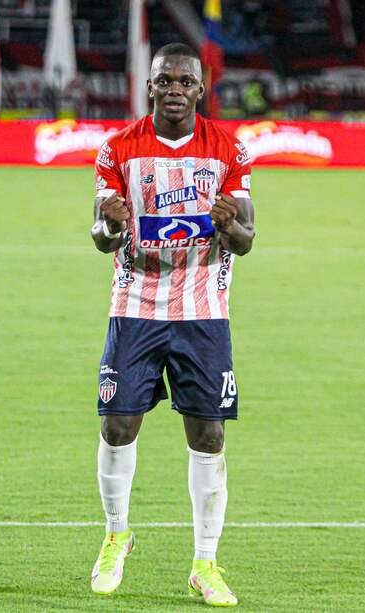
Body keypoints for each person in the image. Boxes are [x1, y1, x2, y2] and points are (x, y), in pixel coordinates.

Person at [88, 43, 255, 608]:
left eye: (186, 81)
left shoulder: (230, 150)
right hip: (135, 307)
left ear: (201, 89)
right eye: (167, 81)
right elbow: (100, 236)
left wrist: (230, 225)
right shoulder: (118, 150)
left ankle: (205, 563)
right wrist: (108, 227)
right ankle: (116, 535)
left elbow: (248, 240)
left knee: (208, 436)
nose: (176, 89)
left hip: (204, 311)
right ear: (151, 86)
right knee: (117, 426)